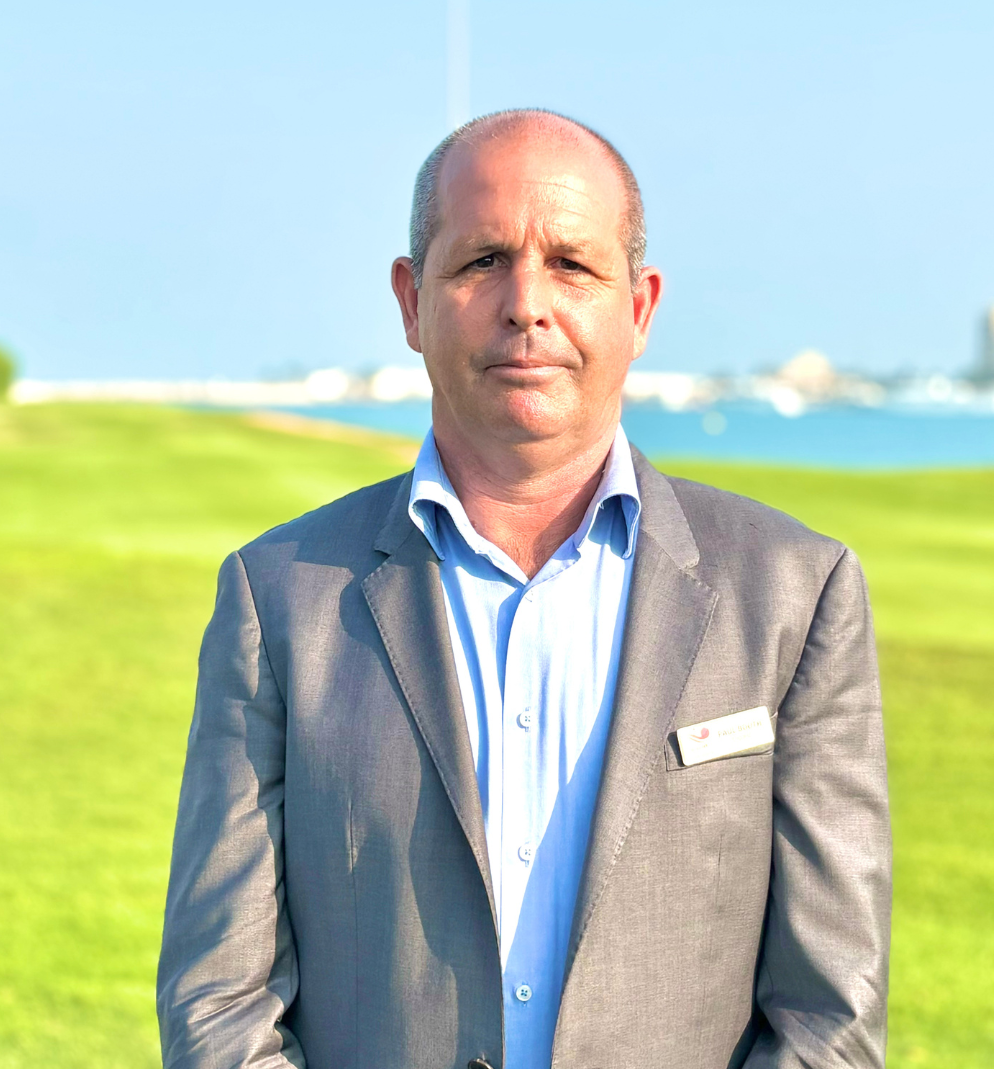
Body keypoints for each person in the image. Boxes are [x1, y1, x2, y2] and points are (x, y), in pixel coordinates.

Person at [157, 109, 891, 1069]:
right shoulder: (279, 598)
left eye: (574, 265)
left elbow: (830, 1016)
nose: (527, 304)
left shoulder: (795, 594)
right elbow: (220, 999)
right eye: (482, 261)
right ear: (410, 300)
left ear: (639, 308)